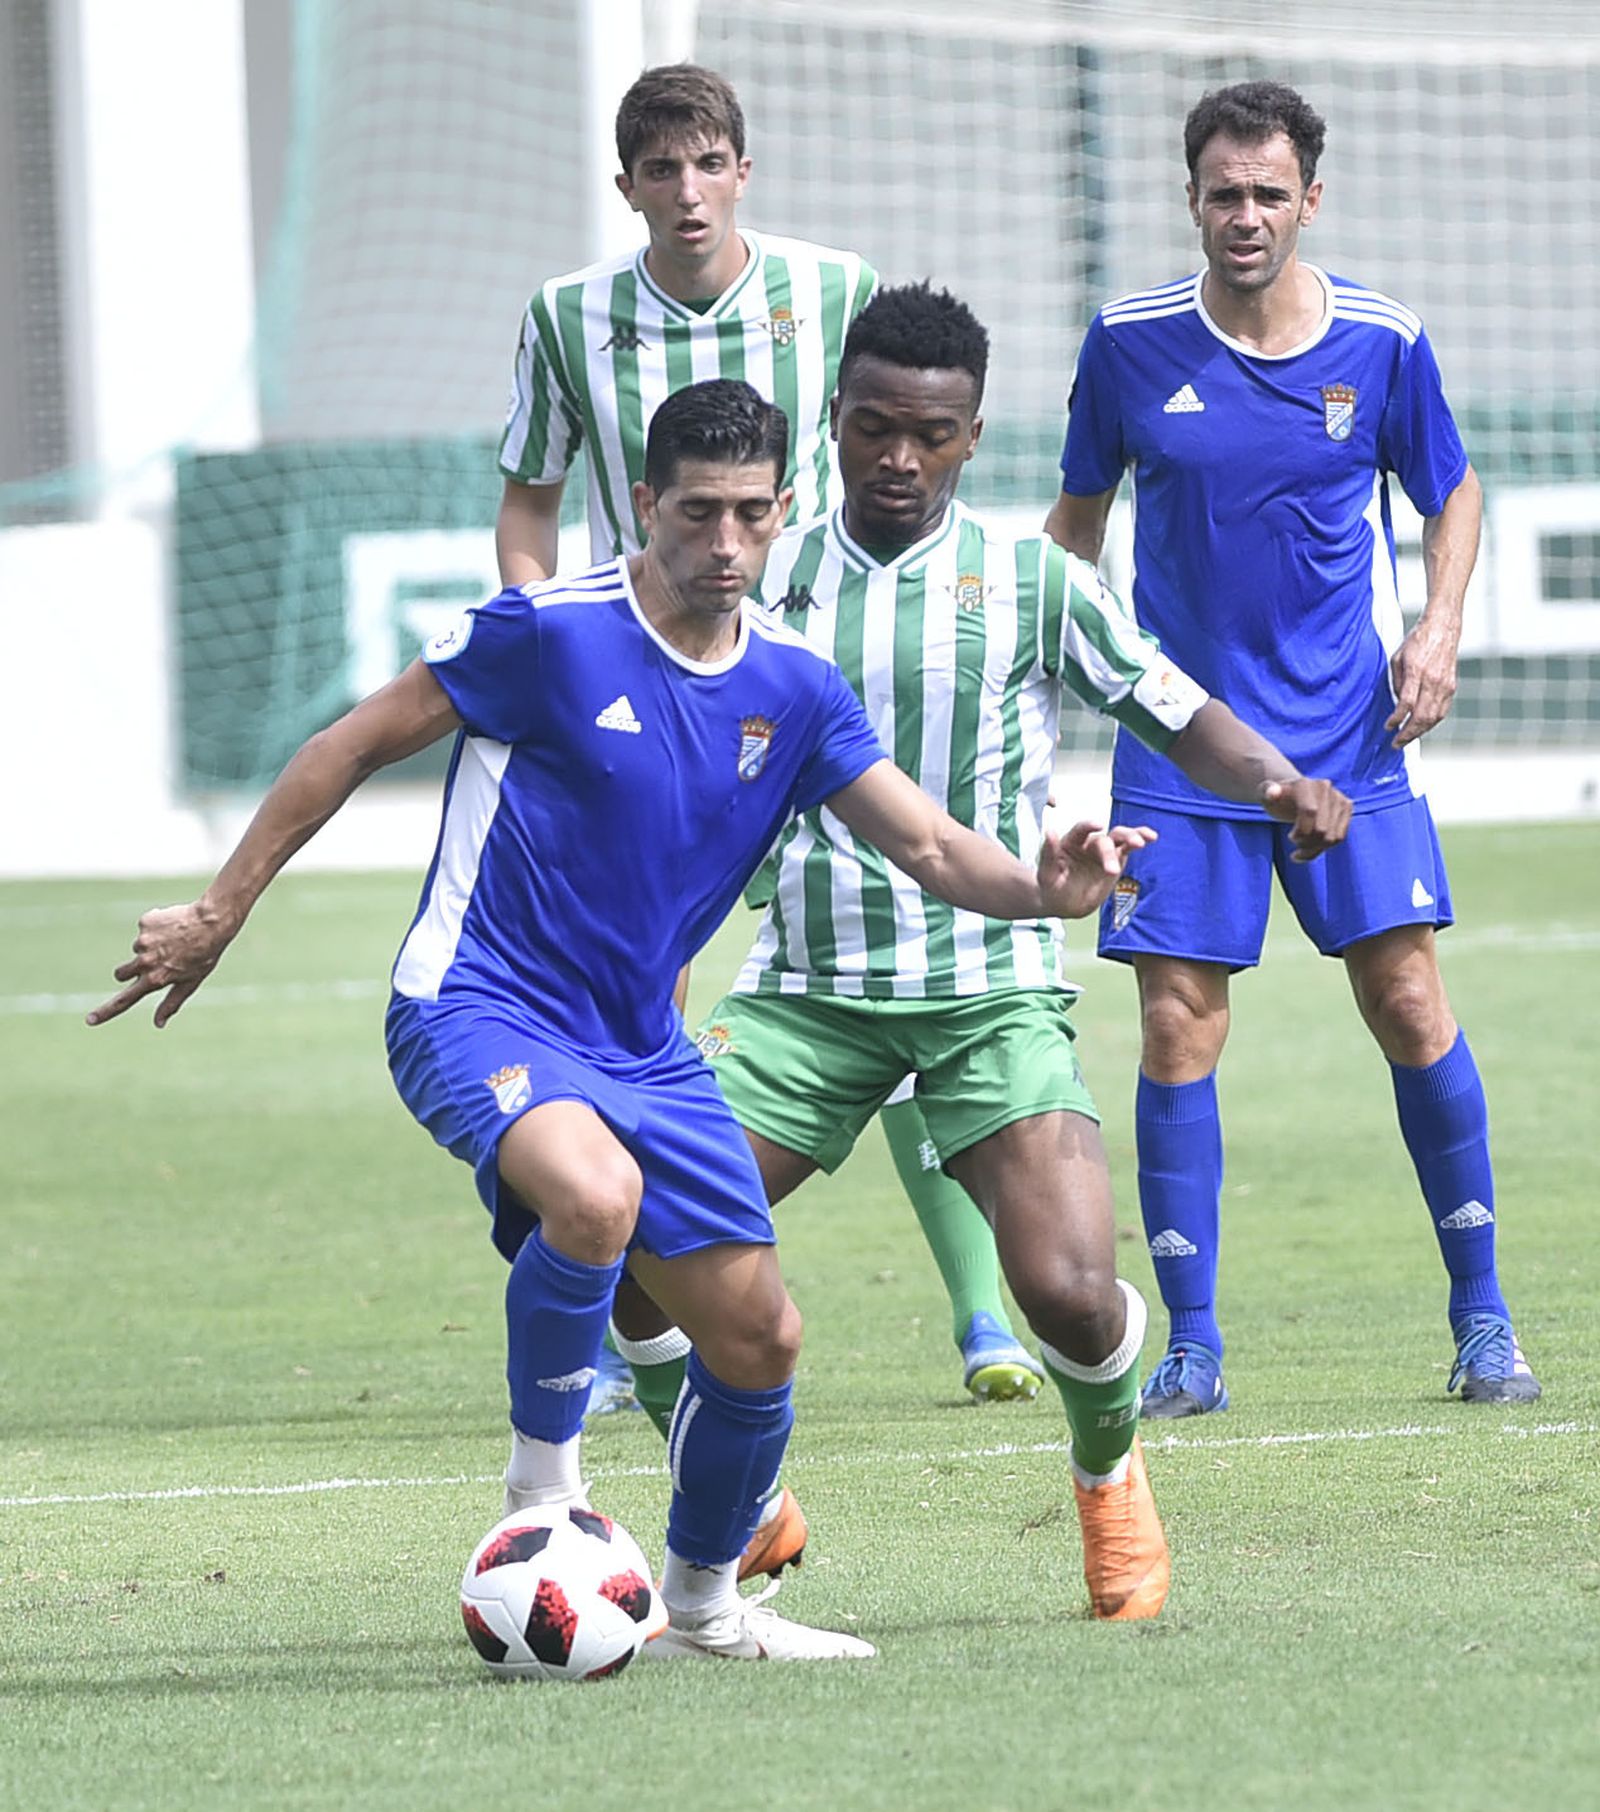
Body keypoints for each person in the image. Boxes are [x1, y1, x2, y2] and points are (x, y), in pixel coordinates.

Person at [87, 379, 1163, 1660]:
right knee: (595, 1200)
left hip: (642, 1047)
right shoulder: (546, 632)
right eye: (697, 512)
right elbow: (350, 745)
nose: (725, 542)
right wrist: (220, 909)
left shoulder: (793, 686)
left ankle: (705, 1608)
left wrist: (1044, 886)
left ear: (782, 512)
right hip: (477, 1004)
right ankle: (542, 1497)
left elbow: (929, 844)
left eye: (750, 514)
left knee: (760, 1339)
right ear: (646, 503)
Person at [637, 286, 1345, 1622]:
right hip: (802, 993)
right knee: (630, 1234)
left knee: (1071, 1295)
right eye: (874, 427)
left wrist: (1279, 781)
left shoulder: (1035, 581)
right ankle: (734, 1485)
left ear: (972, 437)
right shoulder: (759, 575)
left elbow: (1177, 708)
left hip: (990, 991)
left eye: (932, 433)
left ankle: (1108, 1470)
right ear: (832, 422)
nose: (900, 458)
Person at [497, 60, 1041, 1419]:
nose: (688, 192)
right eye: (661, 169)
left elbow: (900, 438)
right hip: (652, 703)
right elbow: (529, 503)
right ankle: (618, 1312)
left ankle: (983, 1309)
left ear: (744, 170)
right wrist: (541, 646)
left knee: (897, 950)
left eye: (708, 164)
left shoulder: (832, 289)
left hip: (812, 677)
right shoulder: (567, 316)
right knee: (634, 998)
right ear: (626, 185)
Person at [1046, 79, 1540, 1418]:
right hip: (1177, 748)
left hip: (1349, 741)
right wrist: (1033, 679)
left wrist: (1438, 624)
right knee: (1174, 1026)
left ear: (1310, 199)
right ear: (1191, 199)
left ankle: (1483, 1319)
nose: (1247, 215)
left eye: (1270, 193)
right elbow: (1073, 532)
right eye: (1225, 193)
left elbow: (1452, 489)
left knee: (1410, 1003)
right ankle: (1193, 1346)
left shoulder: (1381, 341)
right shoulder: (1128, 343)